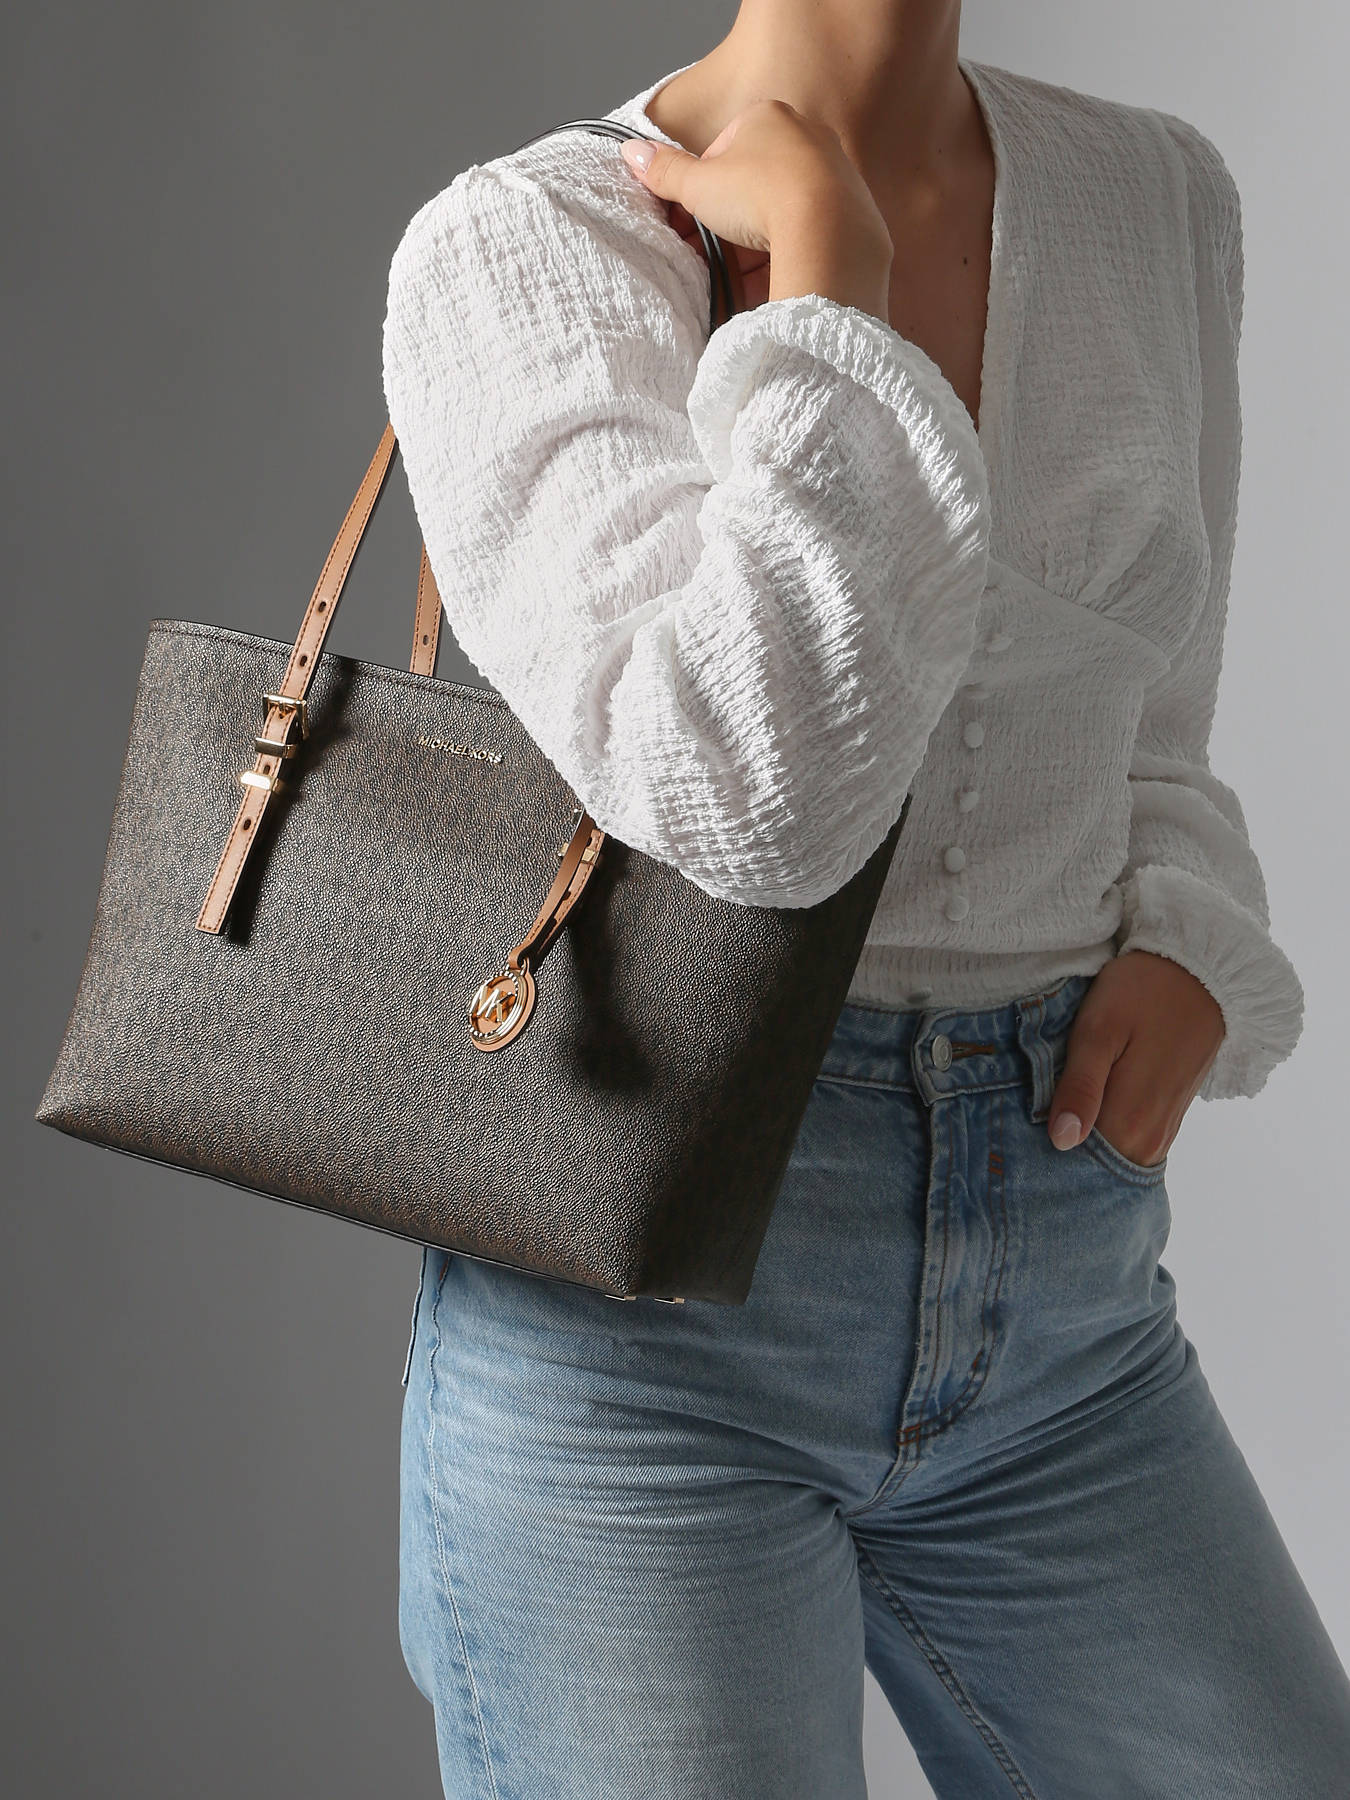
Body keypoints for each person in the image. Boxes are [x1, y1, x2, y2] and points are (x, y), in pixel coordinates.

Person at [381, 2, 1350, 1793]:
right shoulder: (526, 244)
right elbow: (751, 809)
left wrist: (1188, 935)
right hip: (643, 1336)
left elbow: (1156, 718)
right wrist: (828, 280)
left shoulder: (1155, 197)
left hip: (1065, 1296)